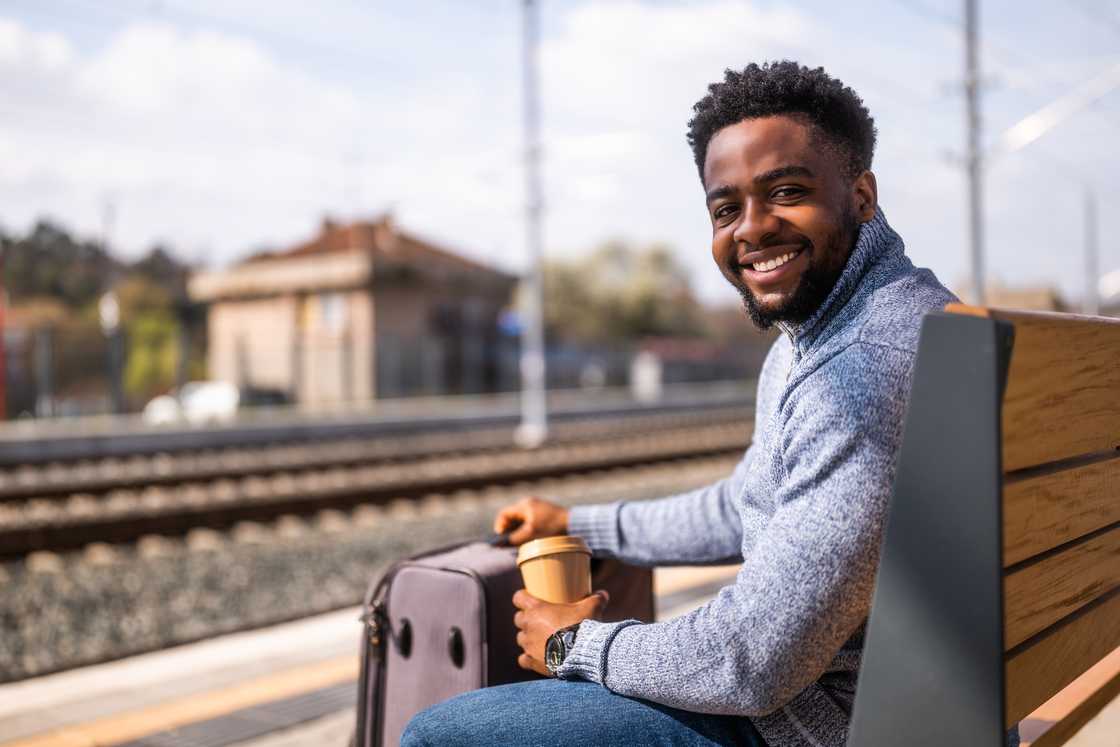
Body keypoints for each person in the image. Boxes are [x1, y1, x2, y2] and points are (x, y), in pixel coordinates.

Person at [403, 60, 1017, 747]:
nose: (751, 229)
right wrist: (582, 523)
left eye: (786, 191)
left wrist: (574, 645)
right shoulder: (855, 325)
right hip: (932, 698)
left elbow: (753, 661)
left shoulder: (864, 366)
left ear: (863, 193)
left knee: (438, 734)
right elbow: (741, 504)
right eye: (726, 209)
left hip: (838, 725)